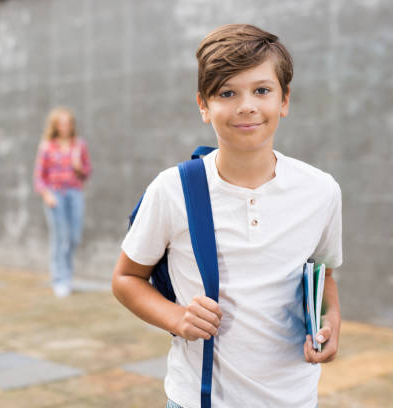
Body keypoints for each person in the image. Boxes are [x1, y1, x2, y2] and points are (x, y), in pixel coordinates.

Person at [112, 24, 342, 407]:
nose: (246, 105)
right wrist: (176, 318)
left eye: (262, 90)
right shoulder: (172, 190)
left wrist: (331, 320)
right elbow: (125, 278)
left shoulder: (320, 191)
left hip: (296, 398)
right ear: (203, 105)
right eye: (227, 92)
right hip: (198, 398)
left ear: (284, 100)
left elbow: (325, 274)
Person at [33, 107, 91, 297]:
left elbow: (87, 172)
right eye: (61, 123)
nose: (65, 126)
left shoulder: (79, 145)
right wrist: (46, 194)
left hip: (75, 194)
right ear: (55, 126)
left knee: (74, 238)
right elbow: (39, 177)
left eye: (68, 123)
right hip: (55, 195)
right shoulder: (47, 146)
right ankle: (60, 280)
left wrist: (79, 168)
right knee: (60, 238)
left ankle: (67, 276)